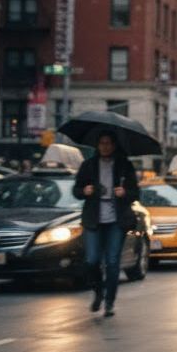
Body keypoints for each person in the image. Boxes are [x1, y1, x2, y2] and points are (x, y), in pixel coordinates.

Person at [72, 132, 139, 317]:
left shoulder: (125, 165)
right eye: (102, 143)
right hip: (93, 219)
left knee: (112, 262)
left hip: (116, 220)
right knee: (92, 260)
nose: (105, 146)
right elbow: (76, 190)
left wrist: (125, 193)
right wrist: (84, 191)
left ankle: (109, 302)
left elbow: (136, 193)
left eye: (109, 143)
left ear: (114, 145)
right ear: (97, 145)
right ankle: (98, 291)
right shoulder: (88, 165)